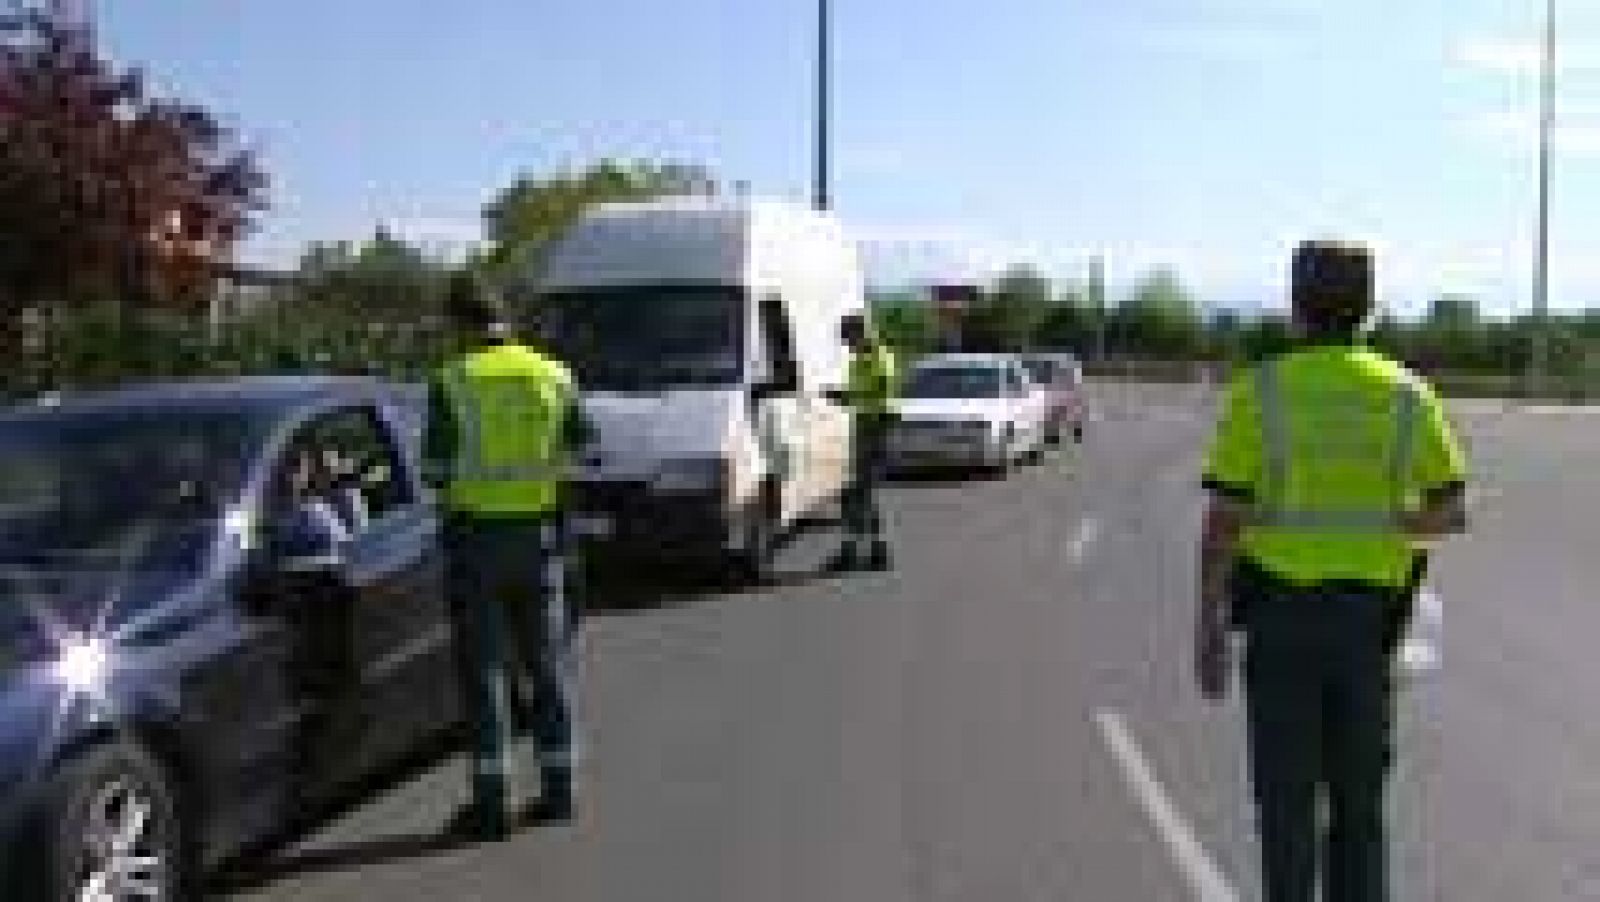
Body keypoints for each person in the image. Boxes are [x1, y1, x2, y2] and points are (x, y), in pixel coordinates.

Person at [1196, 240, 1470, 902]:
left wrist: (1207, 628)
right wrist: (1389, 525)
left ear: (1295, 308)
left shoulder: (1259, 393)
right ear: (1369, 310)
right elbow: (1452, 511)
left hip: (1280, 627)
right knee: (1359, 812)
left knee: (1286, 812)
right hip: (1370, 633)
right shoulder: (1409, 396)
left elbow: (1223, 525)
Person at [422, 271, 589, 839]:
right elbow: (584, 450)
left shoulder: (453, 381)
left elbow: (435, 472)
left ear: (462, 324)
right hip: (539, 540)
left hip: (477, 543)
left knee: (486, 674)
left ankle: (491, 805)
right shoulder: (553, 374)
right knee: (548, 669)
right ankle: (560, 789)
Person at [827, 313, 900, 572]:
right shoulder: (859, 359)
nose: (848, 345)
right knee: (855, 491)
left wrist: (848, 395)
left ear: (861, 333)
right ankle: (858, 549)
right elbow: (861, 393)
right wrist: (843, 396)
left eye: (849, 338)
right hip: (864, 423)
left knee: (863, 490)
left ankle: (876, 550)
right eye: (846, 340)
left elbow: (882, 389)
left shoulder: (882, 357)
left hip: (879, 424)